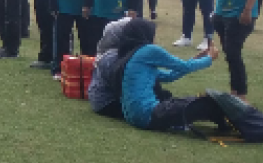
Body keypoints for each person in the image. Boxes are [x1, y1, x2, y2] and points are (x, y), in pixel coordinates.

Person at [87, 18, 229, 132]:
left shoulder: (131, 57)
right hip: (149, 114)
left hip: (134, 118)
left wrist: (196, 59)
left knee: (190, 102)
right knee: (207, 103)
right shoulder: (148, 51)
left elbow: (169, 76)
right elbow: (183, 67)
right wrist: (210, 58)